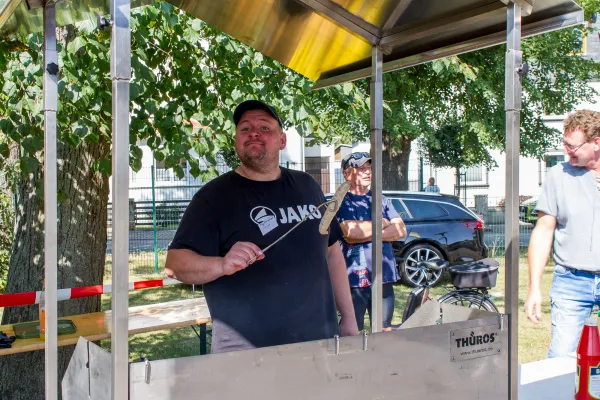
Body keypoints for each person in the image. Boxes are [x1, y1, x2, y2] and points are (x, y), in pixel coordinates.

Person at [165, 100, 358, 353]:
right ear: (236, 140)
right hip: (246, 352)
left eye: (264, 127)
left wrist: (350, 319)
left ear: (282, 140)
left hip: (319, 343)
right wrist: (221, 265)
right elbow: (175, 265)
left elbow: (332, 254)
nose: (254, 132)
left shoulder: (307, 186)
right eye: (245, 128)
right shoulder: (213, 198)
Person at [524, 109, 600, 358]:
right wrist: (534, 288)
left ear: (596, 143)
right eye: (564, 144)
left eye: (572, 146)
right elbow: (543, 232)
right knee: (560, 362)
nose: (566, 151)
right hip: (571, 283)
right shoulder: (558, 175)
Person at [335, 152, 407, 331]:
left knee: (384, 330)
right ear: (346, 173)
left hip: (383, 276)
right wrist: (382, 223)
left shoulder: (380, 199)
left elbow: (400, 230)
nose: (367, 172)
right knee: (352, 332)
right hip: (353, 280)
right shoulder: (340, 201)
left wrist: (366, 231)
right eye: (360, 168)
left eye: (369, 168)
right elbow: (350, 232)